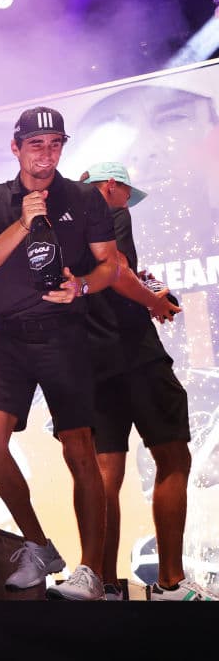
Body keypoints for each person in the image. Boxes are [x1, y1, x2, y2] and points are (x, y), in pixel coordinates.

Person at [0, 106, 129, 600]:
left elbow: (109, 265)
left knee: (78, 447)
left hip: (64, 333)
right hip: (9, 337)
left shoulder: (83, 198)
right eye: (36, 144)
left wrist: (83, 286)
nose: (46, 152)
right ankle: (38, 546)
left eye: (55, 143)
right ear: (15, 148)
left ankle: (91, 572)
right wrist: (23, 222)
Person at [81, 161, 213, 601]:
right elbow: (118, 268)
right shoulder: (110, 211)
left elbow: (111, 274)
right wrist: (153, 301)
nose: (128, 203)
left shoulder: (65, 227)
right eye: (126, 194)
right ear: (111, 186)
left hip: (92, 359)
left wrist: (145, 284)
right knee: (173, 455)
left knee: (105, 471)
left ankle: (103, 583)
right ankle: (171, 582)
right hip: (135, 353)